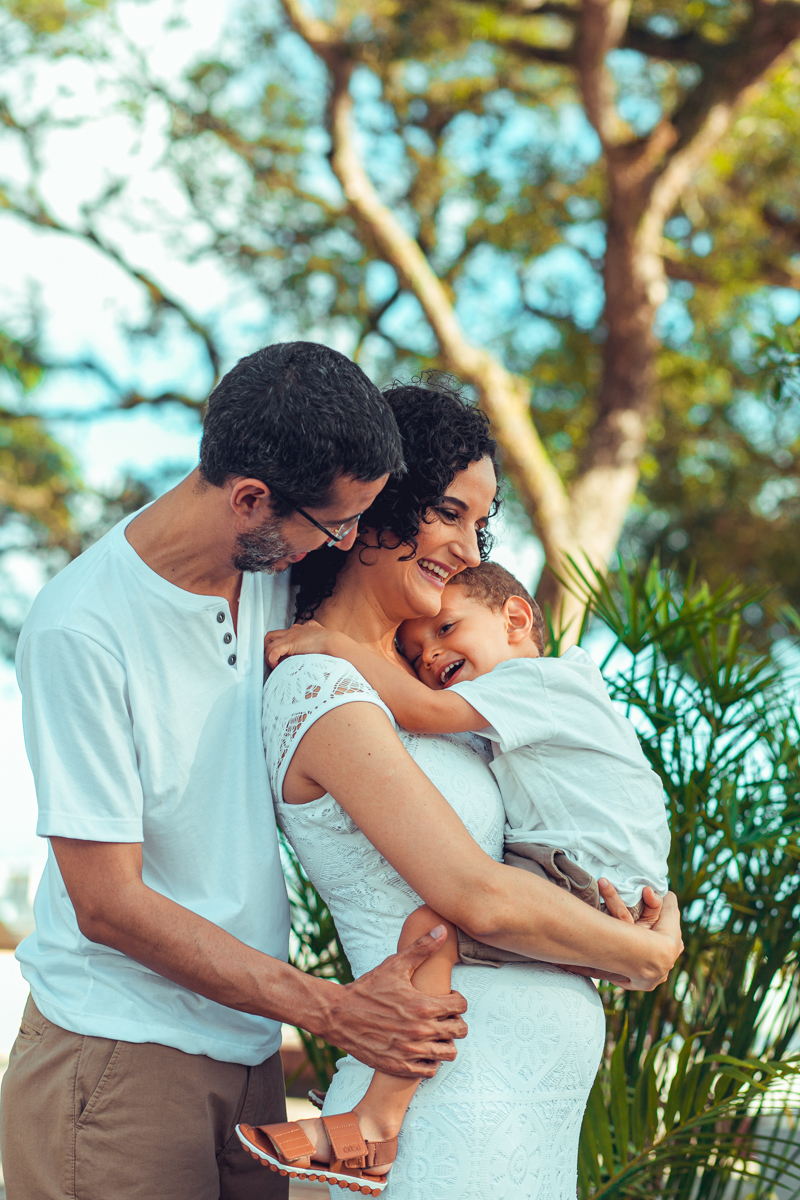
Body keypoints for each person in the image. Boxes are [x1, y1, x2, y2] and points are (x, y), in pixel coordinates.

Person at [1, 343, 473, 1200]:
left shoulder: (267, 562)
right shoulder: (83, 629)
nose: (339, 546)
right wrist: (334, 1011)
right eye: (334, 528)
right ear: (251, 499)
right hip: (117, 1065)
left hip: (251, 1057)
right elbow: (109, 903)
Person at [242, 379, 682, 1197]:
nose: (473, 550)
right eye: (449, 512)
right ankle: (367, 1129)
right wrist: (645, 955)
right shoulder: (322, 684)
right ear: (376, 501)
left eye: (482, 525)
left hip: (517, 1124)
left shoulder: (448, 695)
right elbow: (476, 897)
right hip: (448, 1127)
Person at [265, 559, 671, 932]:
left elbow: (422, 710)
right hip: (606, 885)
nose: (429, 656)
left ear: (514, 620)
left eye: (445, 629)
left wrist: (334, 645)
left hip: (590, 878)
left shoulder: (535, 682)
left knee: (430, 929)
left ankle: (429, 1012)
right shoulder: (525, 708)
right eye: (413, 654)